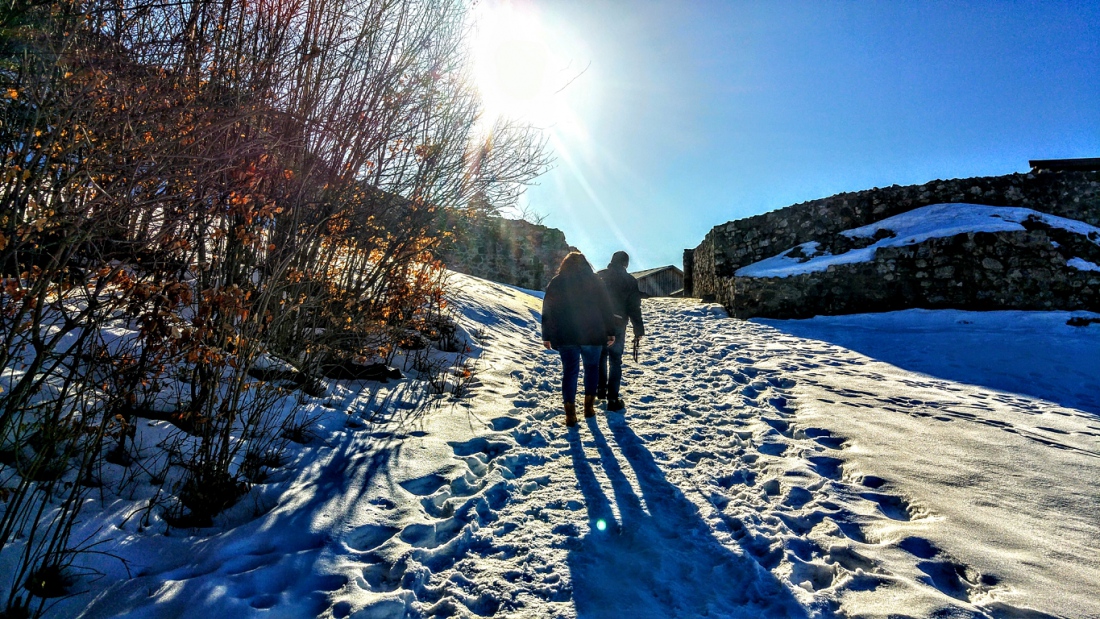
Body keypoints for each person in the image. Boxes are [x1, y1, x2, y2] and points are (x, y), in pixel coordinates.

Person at [541, 252, 617, 427]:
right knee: (592, 369)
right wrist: (610, 331)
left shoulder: (557, 282)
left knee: (570, 372)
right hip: (593, 333)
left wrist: (547, 335)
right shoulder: (595, 281)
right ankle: (588, 408)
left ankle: (570, 415)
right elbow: (606, 306)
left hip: (566, 335)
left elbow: (548, 310)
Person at [596, 251, 644, 412]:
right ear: (626, 263)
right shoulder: (629, 281)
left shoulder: (600, 276)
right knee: (615, 359)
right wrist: (638, 329)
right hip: (617, 323)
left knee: (601, 356)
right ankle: (613, 398)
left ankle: (600, 390)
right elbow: (634, 307)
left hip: (599, 322)